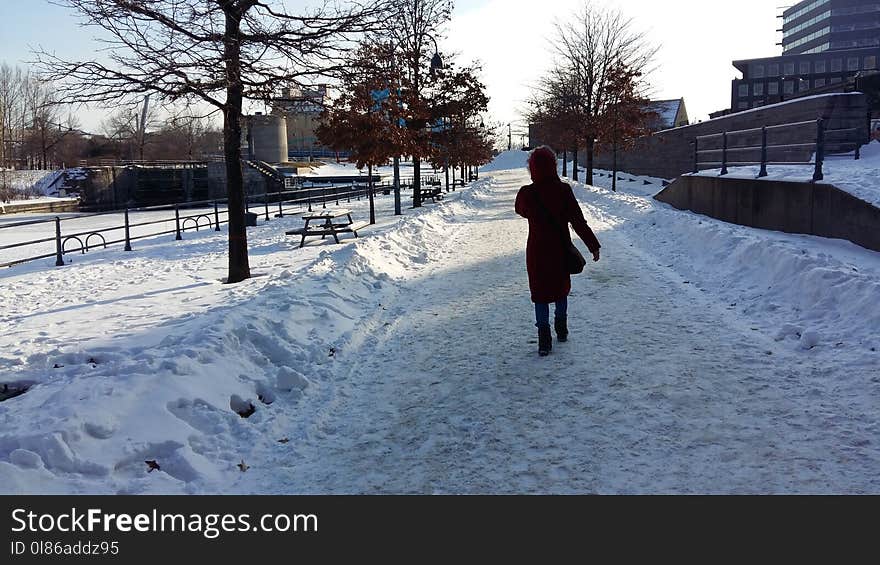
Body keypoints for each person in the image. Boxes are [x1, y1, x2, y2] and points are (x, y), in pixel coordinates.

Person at [515, 146, 601, 357]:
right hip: (560, 249)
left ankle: (544, 340)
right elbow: (578, 222)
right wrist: (593, 245)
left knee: (540, 294)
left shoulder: (527, 193)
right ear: (553, 166)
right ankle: (561, 329)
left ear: (533, 169)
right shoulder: (563, 191)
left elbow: (520, 210)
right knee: (560, 290)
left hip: (536, 252)